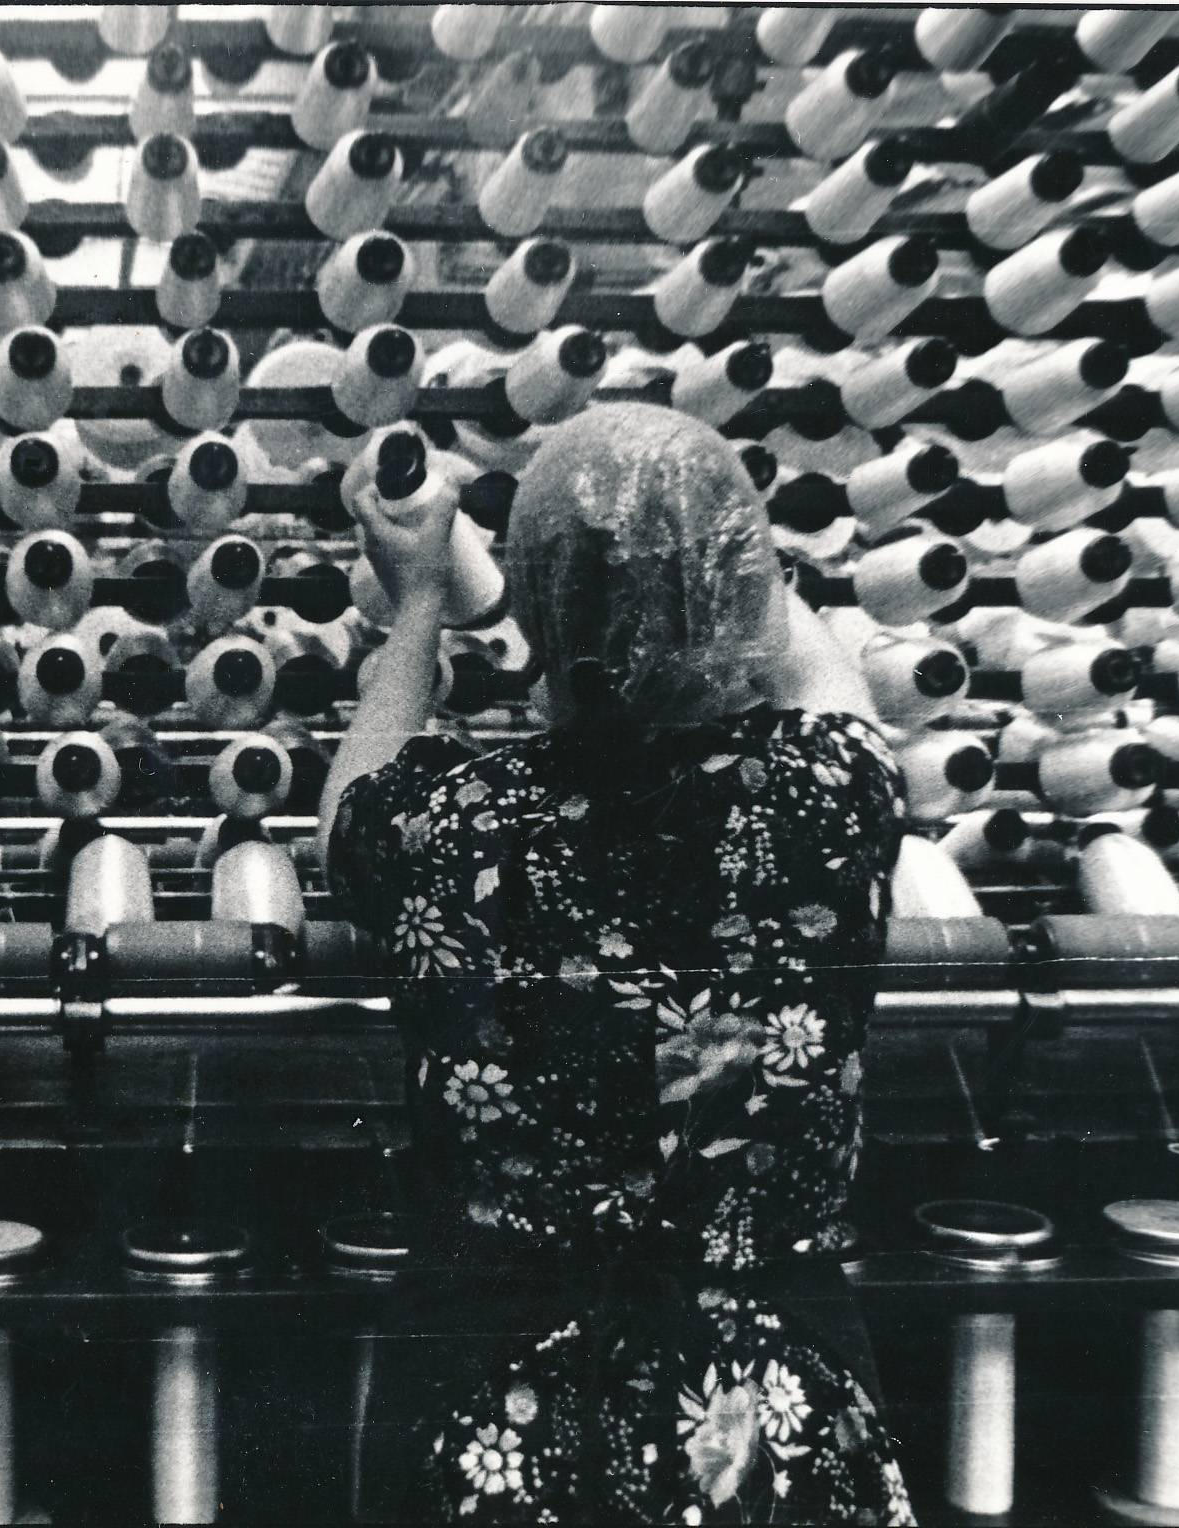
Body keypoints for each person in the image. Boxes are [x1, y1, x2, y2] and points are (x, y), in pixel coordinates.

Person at [321, 405, 914, 1524]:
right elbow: (816, 670)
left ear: (534, 612)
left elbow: (351, 803)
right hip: (775, 1403)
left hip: (500, 1397)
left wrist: (422, 595)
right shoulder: (827, 799)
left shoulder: (457, 827)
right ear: (746, 582)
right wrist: (699, 543)